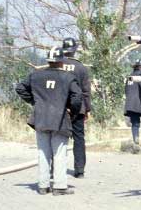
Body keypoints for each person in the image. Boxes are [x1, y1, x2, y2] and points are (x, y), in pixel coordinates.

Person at [16, 46, 82, 195]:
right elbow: (77, 97)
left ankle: (43, 186)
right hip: (60, 119)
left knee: (43, 152)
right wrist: (73, 111)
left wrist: (34, 102)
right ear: (61, 61)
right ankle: (59, 186)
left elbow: (20, 88)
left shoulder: (35, 75)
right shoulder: (67, 77)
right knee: (59, 153)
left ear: (48, 60)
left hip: (40, 118)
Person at [61, 37, 91, 178]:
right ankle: (79, 170)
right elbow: (86, 91)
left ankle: (56, 168)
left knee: (59, 139)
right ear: (74, 50)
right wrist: (87, 109)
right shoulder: (81, 67)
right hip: (78, 108)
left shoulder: (57, 64)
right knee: (79, 139)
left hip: (60, 108)